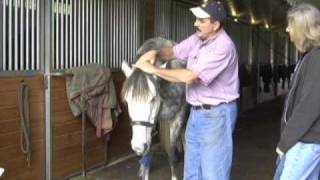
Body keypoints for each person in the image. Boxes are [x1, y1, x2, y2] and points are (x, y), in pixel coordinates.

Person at [134, 1, 239, 179]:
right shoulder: (198, 39)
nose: (195, 23)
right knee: (191, 172)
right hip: (196, 114)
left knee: (213, 174)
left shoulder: (223, 46)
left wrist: (154, 70)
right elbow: (174, 51)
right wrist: (156, 53)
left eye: (201, 20)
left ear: (215, 25)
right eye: (196, 19)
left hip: (216, 115)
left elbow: (190, 76)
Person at [274, 3, 320, 180]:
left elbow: (310, 106)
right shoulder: (309, 56)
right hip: (304, 139)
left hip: (306, 141)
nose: (287, 29)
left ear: (302, 29)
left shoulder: (317, 59)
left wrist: (285, 142)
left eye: (290, 25)